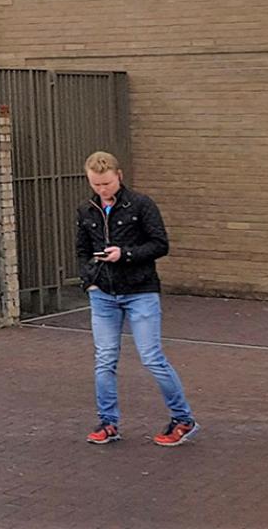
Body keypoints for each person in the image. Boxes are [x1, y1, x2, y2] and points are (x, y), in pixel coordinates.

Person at [76, 152, 196, 447]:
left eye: (106, 183)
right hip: (103, 294)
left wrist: (124, 254)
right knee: (104, 359)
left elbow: (160, 244)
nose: (102, 190)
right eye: (95, 184)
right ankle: (108, 423)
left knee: (151, 357)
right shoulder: (86, 211)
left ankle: (183, 419)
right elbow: (81, 250)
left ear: (119, 176)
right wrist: (89, 280)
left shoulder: (142, 205)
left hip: (140, 291)